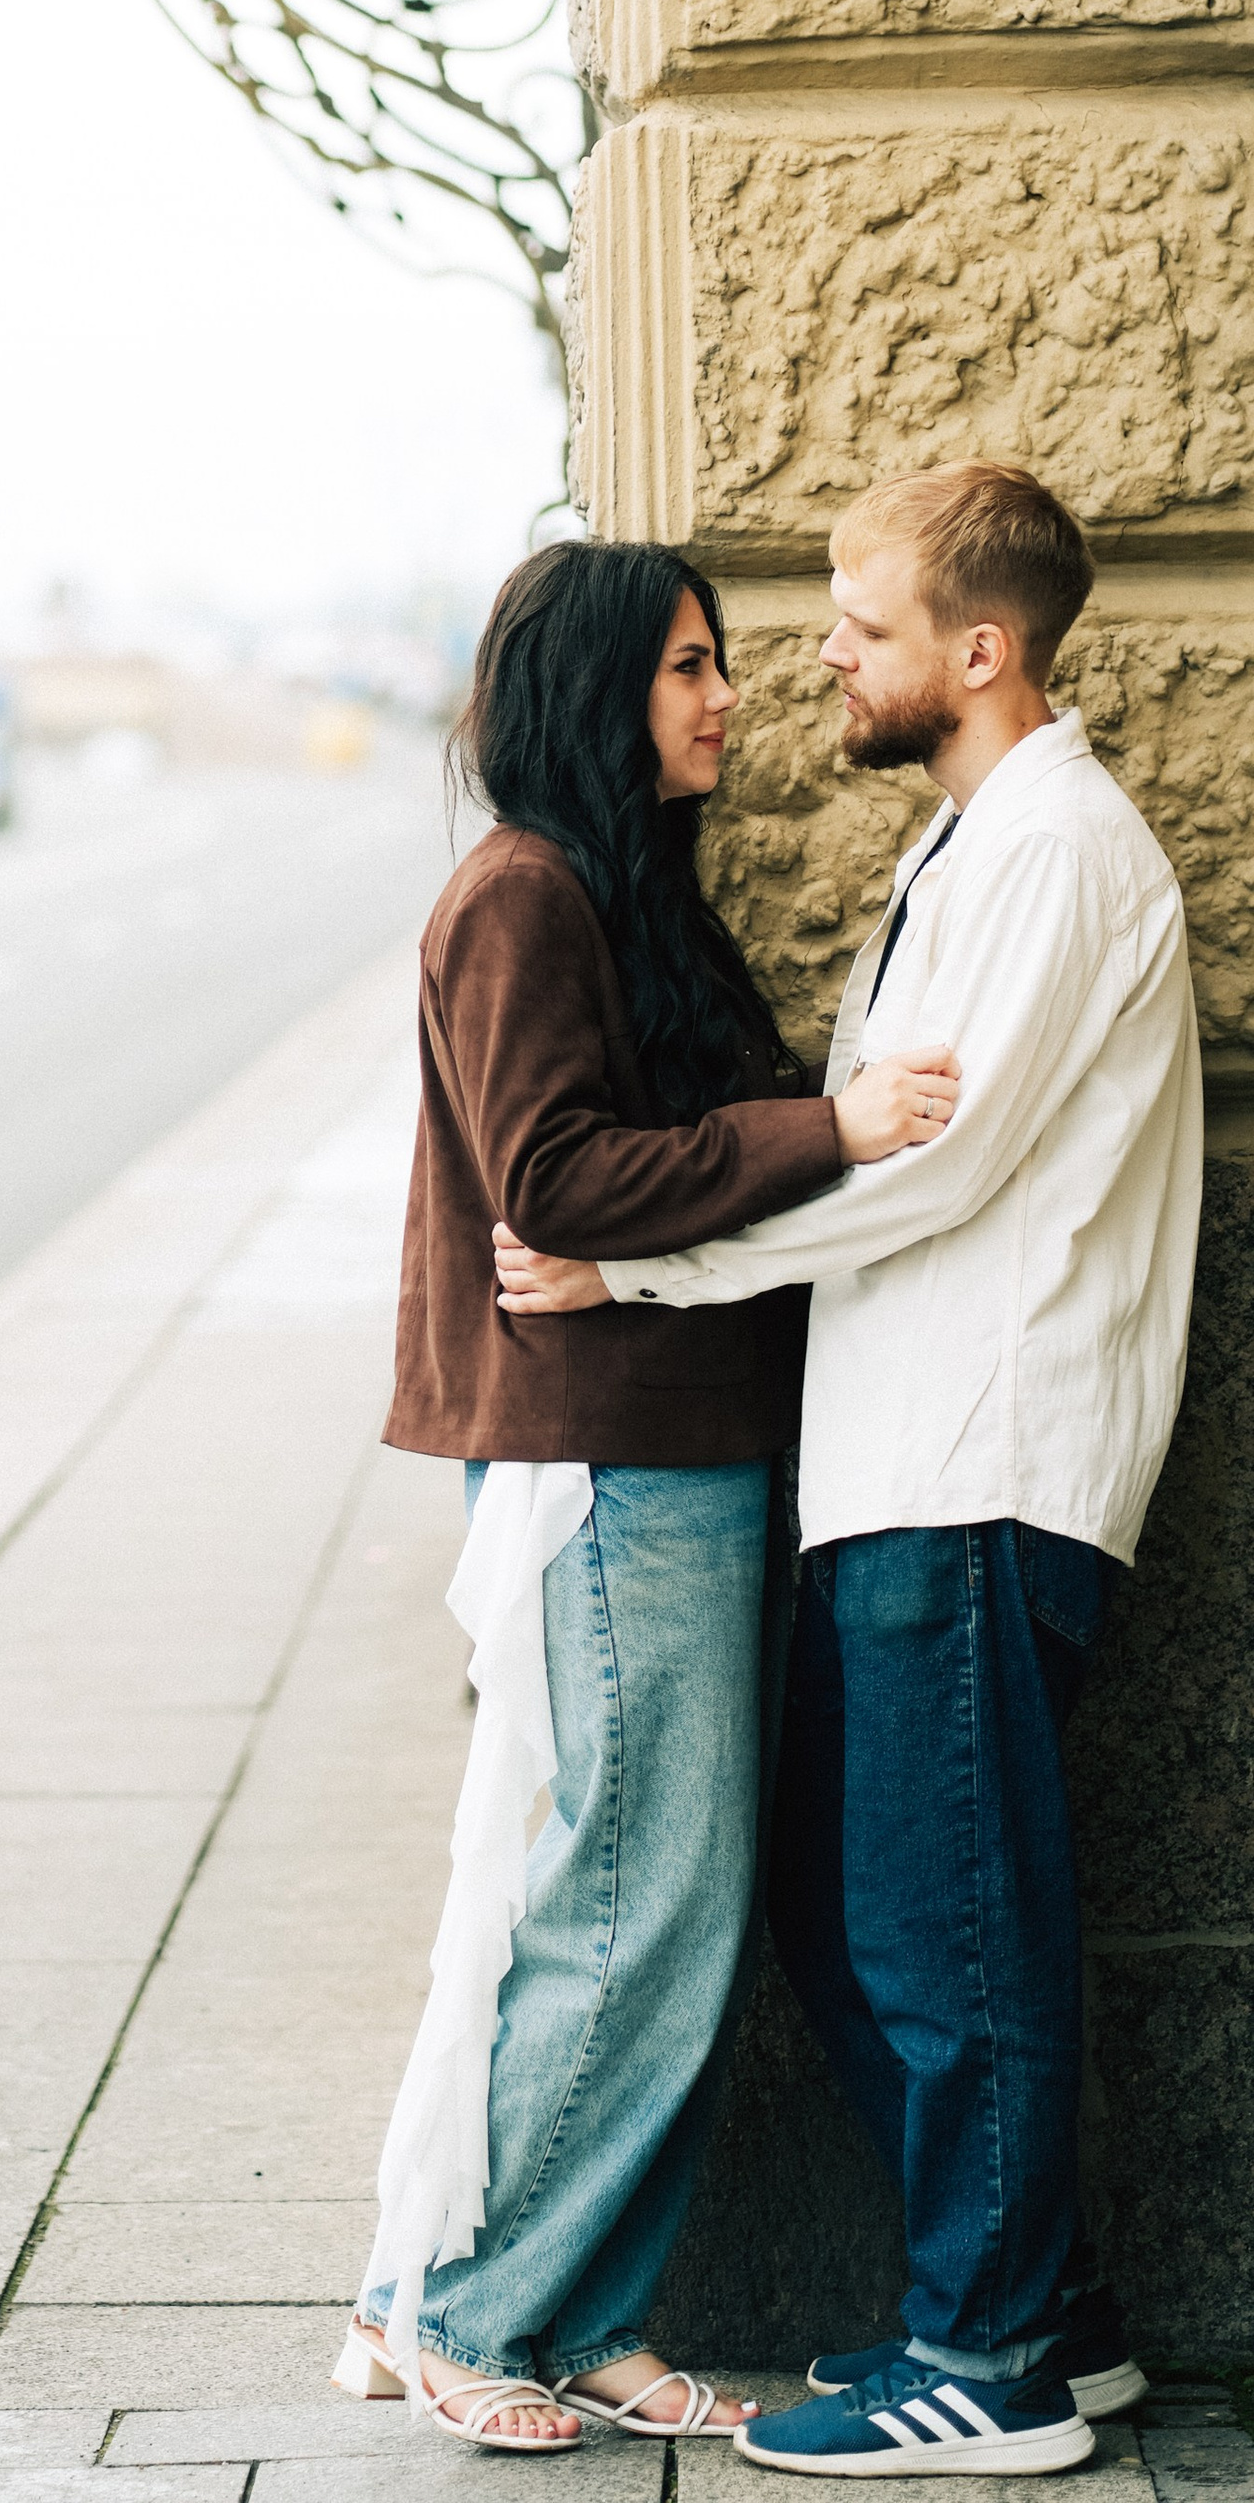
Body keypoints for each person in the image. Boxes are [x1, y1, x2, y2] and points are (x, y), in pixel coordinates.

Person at [497, 464, 1200, 2477]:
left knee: (938, 1927)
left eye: (858, 625)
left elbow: (928, 1164)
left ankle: (979, 2363)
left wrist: (632, 1255)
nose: (820, 656)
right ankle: (1042, 2316)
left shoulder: (1052, 853)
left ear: (977, 652)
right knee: (862, 1899)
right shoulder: (981, 845)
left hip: (974, 1466)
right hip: (896, 1471)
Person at [344, 539, 960, 2451]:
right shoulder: (521, 897)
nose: (726, 695)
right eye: (689, 665)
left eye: (724, 660)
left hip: (673, 1445)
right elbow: (558, 1181)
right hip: (603, 1461)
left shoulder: (626, 897)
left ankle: (581, 2304)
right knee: (631, 1896)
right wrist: (828, 1129)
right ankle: (468, 2311)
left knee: (661, 1897)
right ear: (600, 689)